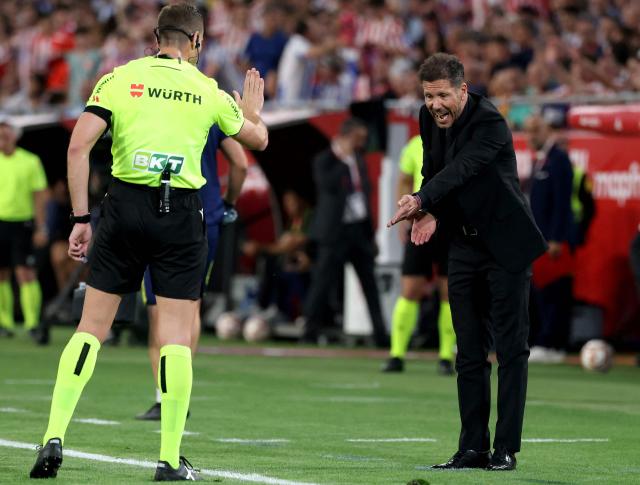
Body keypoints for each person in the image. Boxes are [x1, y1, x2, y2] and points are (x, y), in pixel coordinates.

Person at [29, 3, 267, 481]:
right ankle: (168, 459)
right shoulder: (207, 89)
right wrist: (252, 112)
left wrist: (80, 217)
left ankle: (53, 434)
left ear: (157, 36)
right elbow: (256, 143)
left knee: (90, 329)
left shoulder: (119, 78)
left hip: (123, 207)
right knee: (176, 335)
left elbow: (78, 146)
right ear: (197, 42)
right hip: (180, 213)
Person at [388, 53, 546, 471]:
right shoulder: (426, 118)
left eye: (442, 95)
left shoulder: (490, 122)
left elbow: (463, 169)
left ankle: (506, 448)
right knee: (469, 352)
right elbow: (433, 170)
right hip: (463, 246)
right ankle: (472, 447)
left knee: (511, 351)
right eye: (428, 96)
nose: (435, 104)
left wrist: (423, 200)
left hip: (505, 246)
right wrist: (426, 207)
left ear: (462, 90)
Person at [136, 125, 248, 421]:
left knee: (157, 309)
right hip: (204, 214)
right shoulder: (211, 100)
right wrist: (229, 205)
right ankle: (177, 395)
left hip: (155, 211)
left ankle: (163, 397)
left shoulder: (152, 97)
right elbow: (241, 162)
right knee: (189, 306)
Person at [303, 118, 388, 347]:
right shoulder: (325, 160)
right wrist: (342, 159)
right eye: (358, 139)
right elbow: (327, 185)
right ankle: (310, 330)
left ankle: (381, 334)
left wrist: (371, 234)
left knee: (370, 283)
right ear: (345, 136)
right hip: (334, 232)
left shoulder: (359, 160)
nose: (361, 144)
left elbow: (364, 195)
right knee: (322, 282)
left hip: (358, 230)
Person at [382, 134, 455, 375]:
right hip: (420, 221)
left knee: (450, 291)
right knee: (410, 288)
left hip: (451, 224)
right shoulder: (415, 144)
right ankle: (396, 354)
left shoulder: (461, 142)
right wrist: (403, 214)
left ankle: (446, 356)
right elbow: (404, 180)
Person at [523, 114, 574, 364]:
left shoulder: (559, 160)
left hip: (553, 239)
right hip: (538, 237)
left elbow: (563, 203)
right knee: (540, 291)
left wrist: (556, 237)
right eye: (528, 132)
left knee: (554, 290)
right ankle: (543, 339)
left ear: (546, 130)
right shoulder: (541, 161)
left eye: (535, 130)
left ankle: (552, 343)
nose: (531, 136)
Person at [0, 120, 49, 339]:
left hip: (22, 223)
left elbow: (39, 195)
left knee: (25, 273)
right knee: (1, 274)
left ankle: (32, 322)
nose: (3, 139)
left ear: (14, 137)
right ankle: (4, 323)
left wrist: (41, 227)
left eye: (6, 135)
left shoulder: (30, 161)